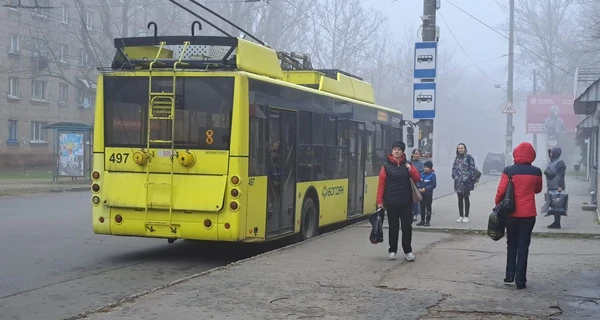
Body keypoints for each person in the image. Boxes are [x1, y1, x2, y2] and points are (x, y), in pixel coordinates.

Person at [494, 142, 543, 290]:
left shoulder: (509, 170)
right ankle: (521, 281)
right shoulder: (536, 171)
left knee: (511, 243)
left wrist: (498, 206)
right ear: (532, 155)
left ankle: (509, 274)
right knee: (523, 246)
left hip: (511, 214)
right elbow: (538, 190)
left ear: (515, 153)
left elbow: (501, 192)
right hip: (528, 214)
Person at [377, 141, 422, 261]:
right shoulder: (386, 166)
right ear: (392, 151)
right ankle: (392, 251)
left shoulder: (408, 164)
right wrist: (379, 201)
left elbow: (417, 178)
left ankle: (408, 251)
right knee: (393, 227)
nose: (396, 151)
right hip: (391, 201)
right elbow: (381, 184)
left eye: (399, 149)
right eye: (394, 149)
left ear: (402, 152)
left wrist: (410, 169)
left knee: (407, 227)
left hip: (406, 201)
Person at [541, 147, 566, 228]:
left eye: (552, 152)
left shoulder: (560, 163)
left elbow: (561, 175)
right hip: (551, 186)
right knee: (553, 204)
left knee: (557, 205)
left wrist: (560, 186)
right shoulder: (551, 162)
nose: (550, 154)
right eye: (550, 152)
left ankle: (557, 223)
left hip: (556, 186)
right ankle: (555, 220)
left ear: (556, 153)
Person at [451, 143, 477, 223]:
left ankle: (466, 216)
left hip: (466, 182)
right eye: (459, 148)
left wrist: (467, 177)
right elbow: (454, 168)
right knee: (459, 199)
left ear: (465, 149)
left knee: (466, 198)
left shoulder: (469, 157)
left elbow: (472, 169)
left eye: (462, 148)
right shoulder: (456, 158)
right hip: (458, 182)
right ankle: (460, 216)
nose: (460, 149)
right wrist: (454, 175)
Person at [416, 160, 436, 227]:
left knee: (428, 207)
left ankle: (427, 220)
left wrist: (426, 189)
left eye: (427, 167)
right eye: (424, 167)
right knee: (422, 207)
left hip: (428, 194)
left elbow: (433, 184)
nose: (425, 168)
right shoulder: (422, 174)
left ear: (430, 168)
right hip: (422, 193)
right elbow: (418, 181)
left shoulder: (432, 175)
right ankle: (422, 220)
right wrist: (419, 187)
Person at [410, 149, 425, 222]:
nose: (417, 155)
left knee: (415, 199)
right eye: (415, 154)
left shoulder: (421, 163)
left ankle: (414, 214)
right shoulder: (409, 162)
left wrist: (414, 171)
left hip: (416, 183)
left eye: (418, 154)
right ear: (412, 154)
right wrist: (415, 171)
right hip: (409, 182)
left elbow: (422, 171)